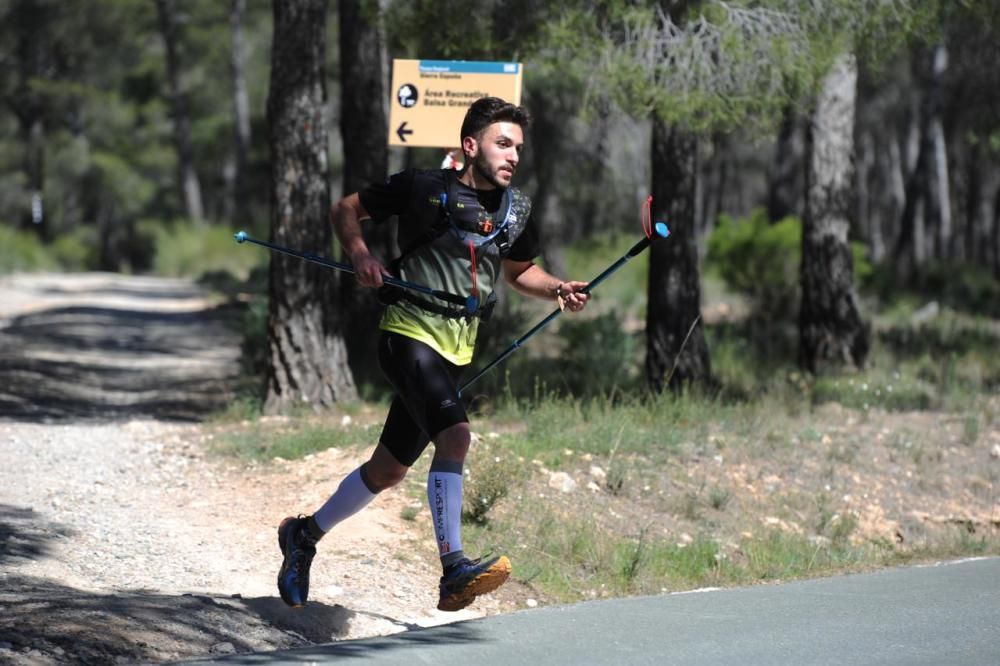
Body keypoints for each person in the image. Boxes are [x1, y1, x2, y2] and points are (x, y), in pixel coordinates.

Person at [276, 96, 591, 612]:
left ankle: (303, 536)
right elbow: (345, 209)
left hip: (454, 352)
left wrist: (557, 288)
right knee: (457, 435)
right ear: (471, 146)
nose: (513, 156)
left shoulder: (517, 210)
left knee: (387, 472)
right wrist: (360, 253)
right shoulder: (423, 187)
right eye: (502, 144)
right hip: (406, 334)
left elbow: (518, 272)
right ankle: (453, 570)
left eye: (518, 148)